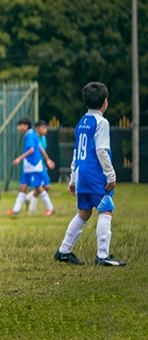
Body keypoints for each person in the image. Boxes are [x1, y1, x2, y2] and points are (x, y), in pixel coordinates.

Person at [55, 82, 126, 267]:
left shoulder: (82, 122)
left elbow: (76, 152)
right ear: (105, 102)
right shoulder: (101, 122)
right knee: (106, 209)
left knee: (84, 212)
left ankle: (63, 251)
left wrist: (73, 177)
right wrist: (111, 175)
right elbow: (102, 151)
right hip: (95, 173)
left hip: (81, 173)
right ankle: (102, 255)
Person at [7, 117, 55, 216]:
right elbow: (40, 148)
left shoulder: (29, 135)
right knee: (23, 187)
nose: (18, 128)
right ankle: (16, 210)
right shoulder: (32, 134)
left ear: (26, 125)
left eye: (20, 125)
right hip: (28, 166)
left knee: (39, 186)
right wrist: (47, 159)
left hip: (34, 165)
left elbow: (32, 150)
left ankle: (50, 208)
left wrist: (19, 158)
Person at [25, 120, 56, 213]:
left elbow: (42, 151)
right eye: (43, 128)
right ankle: (34, 208)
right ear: (37, 128)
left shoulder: (44, 138)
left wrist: (45, 162)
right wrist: (47, 160)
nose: (45, 130)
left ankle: (29, 197)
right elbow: (39, 150)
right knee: (39, 186)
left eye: (45, 128)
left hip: (41, 165)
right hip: (35, 165)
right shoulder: (33, 137)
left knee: (46, 186)